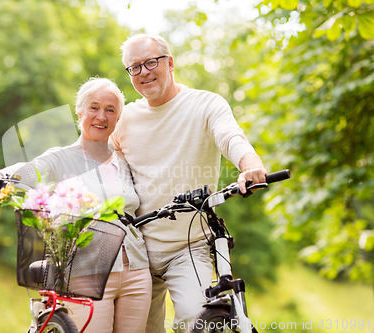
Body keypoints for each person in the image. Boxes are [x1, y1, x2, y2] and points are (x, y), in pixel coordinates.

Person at [109, 34, 268, 333]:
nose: (143, 72)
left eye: (150, 62)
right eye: (134, 67)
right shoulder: (125, 119)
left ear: (170, 63)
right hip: (136, 248)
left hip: (187, 247)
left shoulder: (205, 104)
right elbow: (95, 159)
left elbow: (230, 136)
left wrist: (250, 165)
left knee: (196, 321)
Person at [0, 78, 152, 333]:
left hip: (137, 272)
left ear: (118, 118)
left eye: (110, 110)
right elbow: (26, 173)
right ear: (80, 111)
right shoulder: (61, 158)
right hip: (86, 273)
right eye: (94, 107)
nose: (101, 116)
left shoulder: (123, 161)